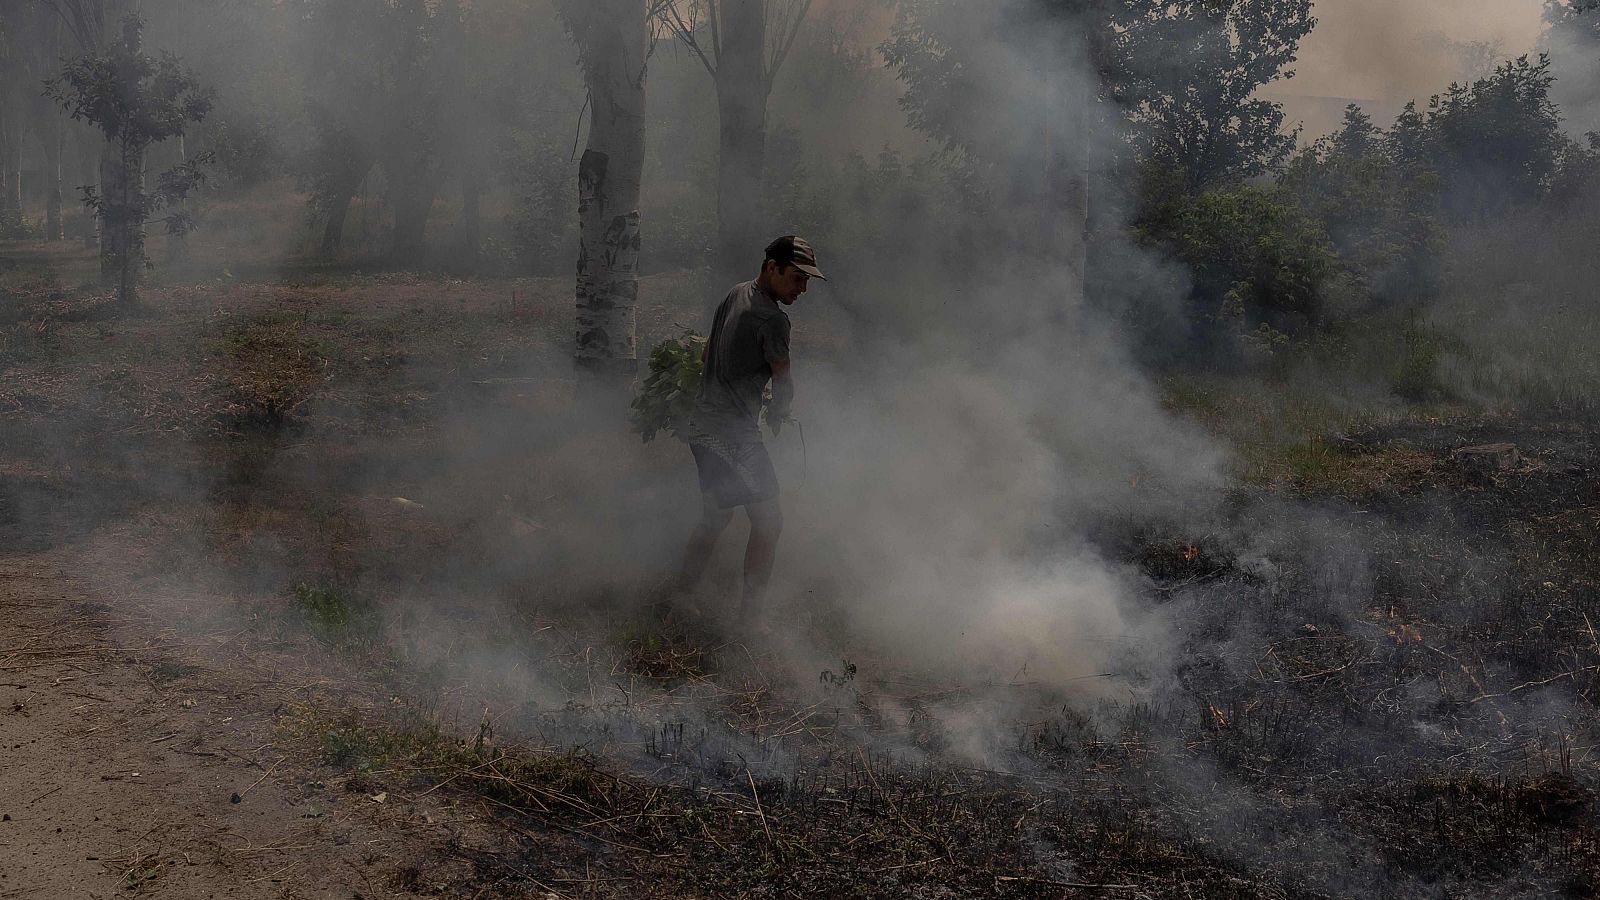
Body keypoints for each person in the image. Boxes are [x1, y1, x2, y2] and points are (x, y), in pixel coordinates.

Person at [659, 236, 825, 629]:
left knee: (716, 518)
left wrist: (743, 385)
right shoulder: (772, 319)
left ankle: (682, 595)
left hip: (702, 426)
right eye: (797, 278)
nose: (802, 289)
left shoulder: (736, 293)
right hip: (731, 436)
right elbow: (784, 383)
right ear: (772, 267)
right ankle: (749, 622)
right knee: (769, 520)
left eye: (807, 282)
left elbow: (706, 356)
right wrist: (779, 410)